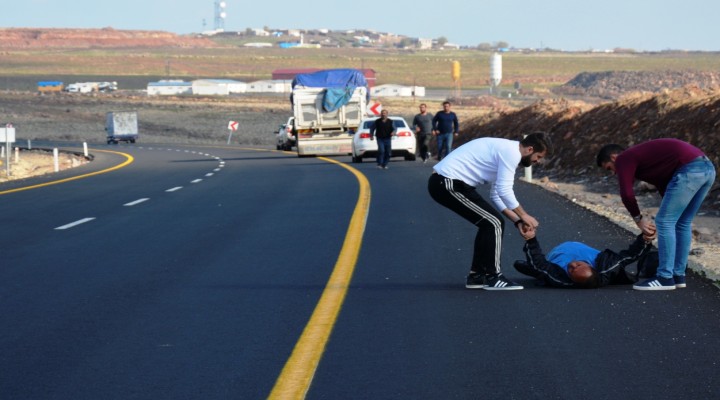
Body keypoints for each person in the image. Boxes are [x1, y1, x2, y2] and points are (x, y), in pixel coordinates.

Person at [427, 132, 553, 290]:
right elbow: (505, 191)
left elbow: (496, 194)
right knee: (493, 223)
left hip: (453, 184)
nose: (537, 161)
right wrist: (524, 215)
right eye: (538, 156)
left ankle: (477, 276)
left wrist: (518, 221)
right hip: (447, 183)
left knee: (490, 223)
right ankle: (494, 277)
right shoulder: (511, 153)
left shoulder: (507, 151)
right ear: (530, 149)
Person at [596, 138, 716, 290]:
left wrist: (638, 220)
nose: (613, 172)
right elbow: (664, 184)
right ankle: (678, 275)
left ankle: (665, 277)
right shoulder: (644, 161)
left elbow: (626, 194)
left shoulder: (624, 158)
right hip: (707, 169)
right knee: (682, 222)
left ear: (614, 157)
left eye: (609, 168)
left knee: (665, 222)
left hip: (690, 170)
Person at [513, 226, 657, 288]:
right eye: (579, 265)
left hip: (551, 261)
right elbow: (629, 256)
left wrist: (531, 239)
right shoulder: (606, 266)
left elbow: (539, 262)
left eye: (572, 271)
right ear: (590, 266)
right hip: (584, 253)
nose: (572, 265)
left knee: (539, 270)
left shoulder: (559, 276)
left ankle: (534, 272)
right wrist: (645, 238)